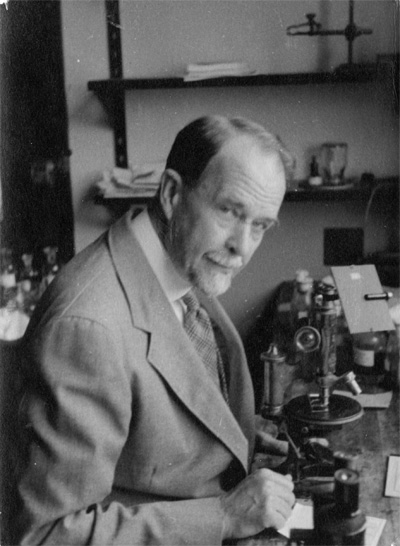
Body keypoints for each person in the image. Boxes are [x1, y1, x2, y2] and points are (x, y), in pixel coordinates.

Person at [7, 115, 295, 545]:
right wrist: (222, 517)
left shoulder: (183, 265)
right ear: (172, 193)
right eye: (229, 212)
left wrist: (240, 438)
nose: (243, 245)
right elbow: (46, 536)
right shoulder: (89, 327)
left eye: (260, 225)